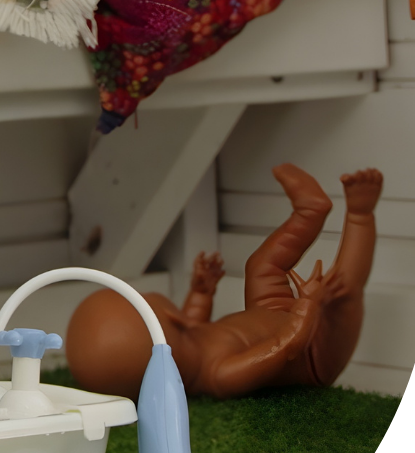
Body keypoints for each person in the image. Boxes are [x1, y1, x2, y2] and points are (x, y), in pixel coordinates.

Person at [65, 163, 380, 399]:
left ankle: (310, 212)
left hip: (269, 310)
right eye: (141, 297)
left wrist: (201, 292)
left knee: (260, 266)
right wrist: (309, 307)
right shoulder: (220, 375)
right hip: (313, 352)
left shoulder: (187, 341)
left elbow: (194, 322)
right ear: (168, 318)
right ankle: (360, 215)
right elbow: (283, 348)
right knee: (342, 291)